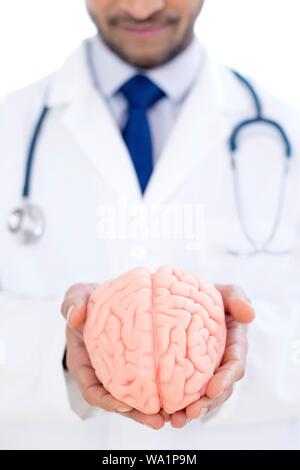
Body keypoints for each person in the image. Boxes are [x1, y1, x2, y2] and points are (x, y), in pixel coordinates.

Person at [0, 0, 299, 450]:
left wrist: (233, 349)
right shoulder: (10, 129)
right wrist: (62, 350)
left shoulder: (287, 132)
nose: (141, 8)